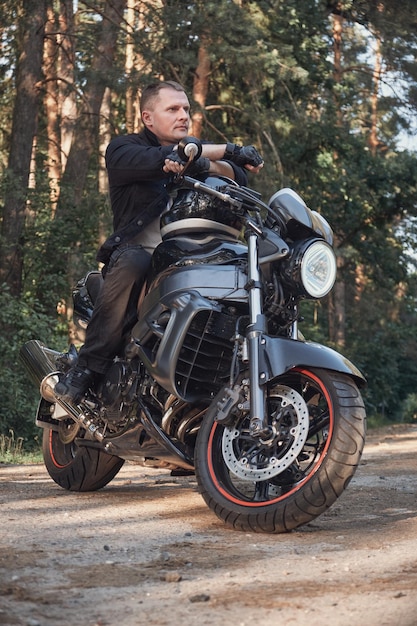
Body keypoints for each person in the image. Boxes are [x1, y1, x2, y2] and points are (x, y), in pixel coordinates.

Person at [55, 80, 263, 404]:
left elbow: (239, 175)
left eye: (186, 109)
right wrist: (229, 149)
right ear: (148, 118)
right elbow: (163, 157)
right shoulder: (122, 149)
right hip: (140, 257)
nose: (184, 115)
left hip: (185, 258)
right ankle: (85, 370)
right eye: (173, 109)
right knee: (135, 261)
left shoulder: (191, 153)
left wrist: (205, 162)